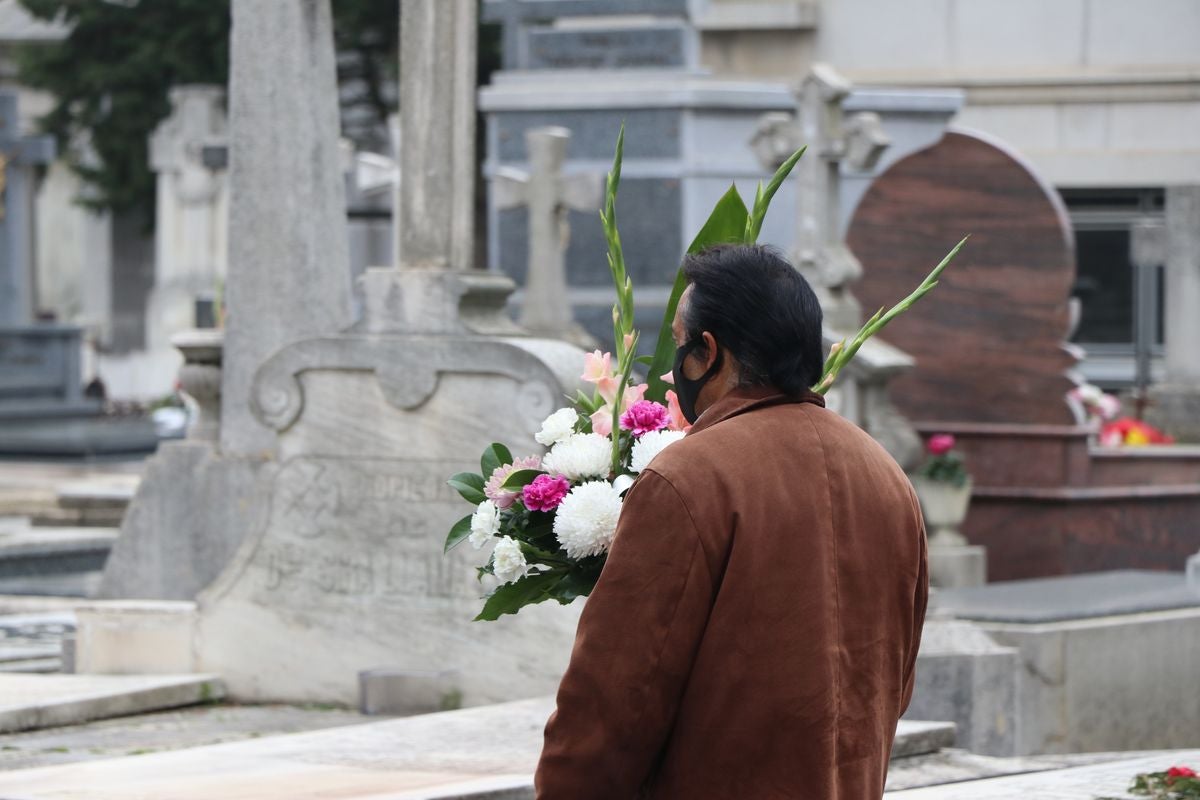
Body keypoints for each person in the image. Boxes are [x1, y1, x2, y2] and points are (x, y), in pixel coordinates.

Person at [535, 244, 928, 799]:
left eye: (679, 342)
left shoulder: (690, 477)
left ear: (707, 352)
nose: (677, 364)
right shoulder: (887, 476)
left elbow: (616, 698)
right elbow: (895, 679)